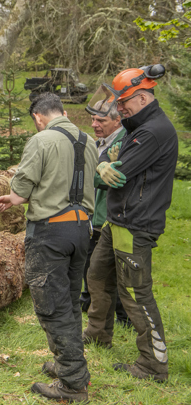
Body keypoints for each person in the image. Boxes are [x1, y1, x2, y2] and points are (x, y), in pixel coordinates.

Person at [0, 93, 96, 403]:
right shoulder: (88, 141)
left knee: (52, 307)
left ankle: (73, 385)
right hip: (81, 231)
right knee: (69, 301)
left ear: (38, 117)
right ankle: (71, 367)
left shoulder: (42, 140)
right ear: (63, 112)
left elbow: (22, 188)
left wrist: (13, 197)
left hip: (51, 232)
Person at [82, 65, 177, 382]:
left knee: (136, 294)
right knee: (96, 276)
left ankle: (153, 364)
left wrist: (105, 168)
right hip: (117, 219)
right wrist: (104, 167)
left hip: (135, 225)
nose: (118, 108)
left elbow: (114, 175)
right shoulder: (140, 126)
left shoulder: (151, 132)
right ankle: (97, 334)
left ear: (143, 97)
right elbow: (105, 169)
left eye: (123, 102)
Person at [79, 103, 129, 326]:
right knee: (92, 264)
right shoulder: (103, 143)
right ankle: (88, 301)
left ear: (117, 120)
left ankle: (124, 317)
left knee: (113, 270)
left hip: (110, 215)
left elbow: (116, 179)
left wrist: (91, 172)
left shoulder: (123, 142)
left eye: (101, 121)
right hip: (96, 214)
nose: (94, 125)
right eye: (93, 120)